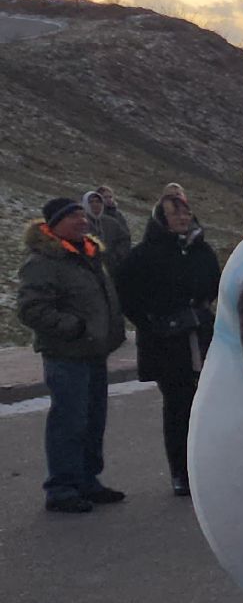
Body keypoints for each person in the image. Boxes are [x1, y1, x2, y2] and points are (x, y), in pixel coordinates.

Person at [16, 197, 127, 513]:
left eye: (82, 215)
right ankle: (62, 487)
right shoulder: (43, 261)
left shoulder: (88, 254)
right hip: (66, 355)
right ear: (55, 224)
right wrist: (73, 327)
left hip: (94, 352)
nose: (82, 221)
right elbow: (30, 308)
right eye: (73, 217)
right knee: (69, 421)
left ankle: (87, 480)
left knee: (93, 420)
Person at [114, 194, 219, 496]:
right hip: (166, 344)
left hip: (200, 337)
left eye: (186, 213)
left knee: (205, 405)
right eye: (175, 214)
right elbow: (126, 295)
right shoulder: (144, 255)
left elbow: (214, 283)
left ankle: (206, 466)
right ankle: (181, 472)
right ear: (162, 220)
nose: (183, 219)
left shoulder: (201, 250)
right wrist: (151, 322)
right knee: (178, 406)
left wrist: (201, 309)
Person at [87, 187, 134, 275]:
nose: (109, 200)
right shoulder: (90, 218)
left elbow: (125, 238)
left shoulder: (118, 216)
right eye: (105, 197)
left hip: (114, 261)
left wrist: (117, 255)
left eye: (110, 197)